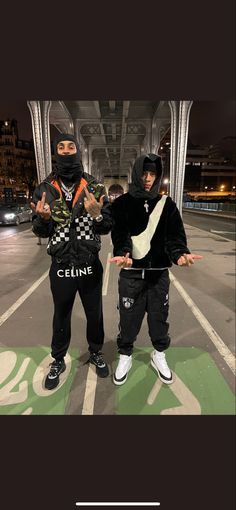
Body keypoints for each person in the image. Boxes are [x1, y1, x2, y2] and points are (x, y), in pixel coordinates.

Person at [110, 153, 202, 386]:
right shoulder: (122, 204)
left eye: (153, 174)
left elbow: (175, 238)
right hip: (130, 273)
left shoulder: (167, 205)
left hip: (159, 275)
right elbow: (119, 234)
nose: (148, 178)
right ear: (137, 173)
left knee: (159, 319)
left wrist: (180, 254)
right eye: (144, 173)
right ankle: (125, 355)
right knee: (128, 319)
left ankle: (158, 354)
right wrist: (123, 253)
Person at [31, 133, 112, 389]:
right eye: (61, 147)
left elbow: (107, 226)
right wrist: (43, 220)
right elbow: (41, 232)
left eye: (70, 146)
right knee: (61, 315)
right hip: (61, 266)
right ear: (56, 152)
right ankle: (58, 359)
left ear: (77, 151)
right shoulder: (44, 188)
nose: (66, 150)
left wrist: (98, 216)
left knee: (94, 314)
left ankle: (96, 352)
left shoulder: (95, 186)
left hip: (90, 264)